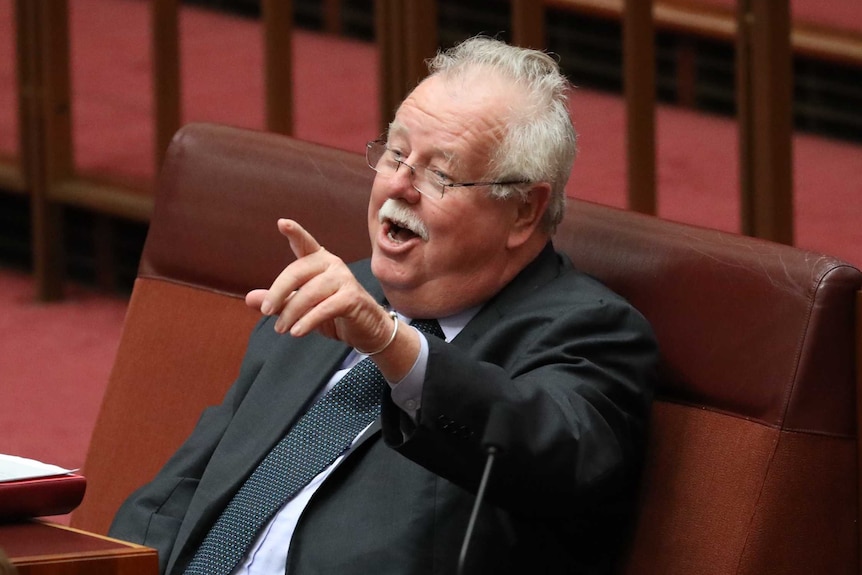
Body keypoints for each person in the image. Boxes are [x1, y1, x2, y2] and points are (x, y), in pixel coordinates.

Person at [108, 36, 657, 575]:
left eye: (440, 173)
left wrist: (393, 346)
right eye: (396, 153)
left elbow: (551, 453)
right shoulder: (339, 291)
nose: (398, 185)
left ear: (523, 212)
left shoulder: (591, 332)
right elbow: (184, 491)